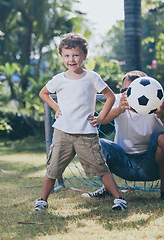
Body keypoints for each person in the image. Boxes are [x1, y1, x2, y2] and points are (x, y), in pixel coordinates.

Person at [34, 33, 127, 211]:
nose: (71, 59)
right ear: (62, 57)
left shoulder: (92, 77)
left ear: (84, 56)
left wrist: (100, 118)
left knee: (101, 168)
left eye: (75, 55)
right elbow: (43, 93)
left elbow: (109, 97)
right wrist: (56, 108)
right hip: (62, 133)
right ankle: (42, 200)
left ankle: (119, 199)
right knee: (53, 169)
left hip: (87, 134)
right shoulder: (59, 79)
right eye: (67, 56)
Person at [82, 70, 164, 201]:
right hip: (123, 163)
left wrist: (162, 116)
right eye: (124, 90)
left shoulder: (155, 102)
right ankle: (109, 188)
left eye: (131, 90)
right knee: (98, 144)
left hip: (150, 163)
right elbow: (100, 120)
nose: (128, 94)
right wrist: (119, 109)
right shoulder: (119, 100)